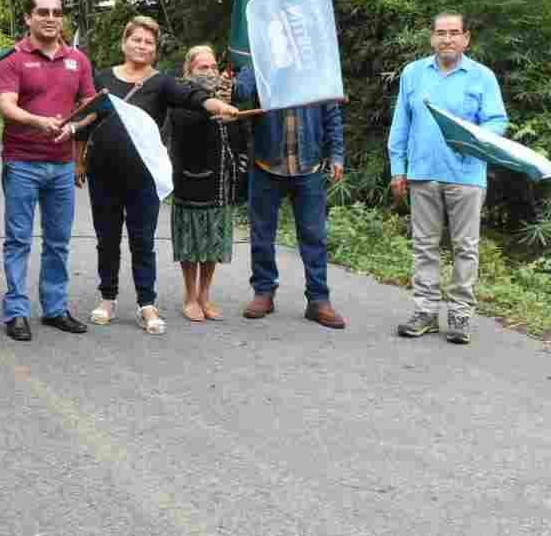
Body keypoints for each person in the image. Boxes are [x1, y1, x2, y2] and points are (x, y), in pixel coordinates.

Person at [76, 18, 237, 335]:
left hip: (144, 176)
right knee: (107, 240)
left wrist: (215, 103)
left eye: (148, 42)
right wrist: (76, 161)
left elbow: (191, 96)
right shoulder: (103, 77)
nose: (142, 46)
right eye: (136, 40)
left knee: (142, 242)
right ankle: (107, 298)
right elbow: (84, 119)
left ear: (154, 50)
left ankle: (146, 303)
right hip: (103, 173)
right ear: (125, 43)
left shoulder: (162, 83)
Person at [388, 11, 508, 345]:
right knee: (424, 245)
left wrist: (475, 137)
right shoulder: (413, 74)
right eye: (441, 33)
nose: (447, 39)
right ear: (432, 38)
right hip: (423, 173)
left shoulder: (481, 77)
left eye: (454, 33)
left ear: (466, 38)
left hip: (467, 175)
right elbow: (401, 124)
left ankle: (459, 315)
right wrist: (398, 167)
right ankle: (425, 311)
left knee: (465, 247)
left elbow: (497, 121)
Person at [0, 0, 96, 341]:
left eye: (57, 12)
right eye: (43, 12)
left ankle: (54, 308)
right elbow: (6, 105)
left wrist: (75, 126)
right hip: (22, 162)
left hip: (62, 166)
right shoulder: (13, 59)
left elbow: (91, 104)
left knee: (58, 241)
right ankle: (16, 312)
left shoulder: (77, 60)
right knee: (18, 240)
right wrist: (39, 122)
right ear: (28, 18)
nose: (51, 18)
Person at [233, 56, 347, 329]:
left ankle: (318, 300)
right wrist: (231, 83)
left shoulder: (318, 67)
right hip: (266, 164)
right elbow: (242, 92)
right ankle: (263, 292)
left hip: (308, 166)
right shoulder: (260, 63)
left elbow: (331, 114)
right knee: (262, 233)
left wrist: (337, 155)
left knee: (314, 235)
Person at [165, 46, 243, 321]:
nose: (209, 73)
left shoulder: (224, 97)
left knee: (213, 242)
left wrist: (229, 111)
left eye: (212, 67)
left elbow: (238, 137)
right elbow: (183, 127)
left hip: (220, 184)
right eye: (202, 68)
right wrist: (213, 110)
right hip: (190, 181)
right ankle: (189, 297)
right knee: (191, 242)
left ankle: (205, 296)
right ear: (189, 70)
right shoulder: (181, 99)